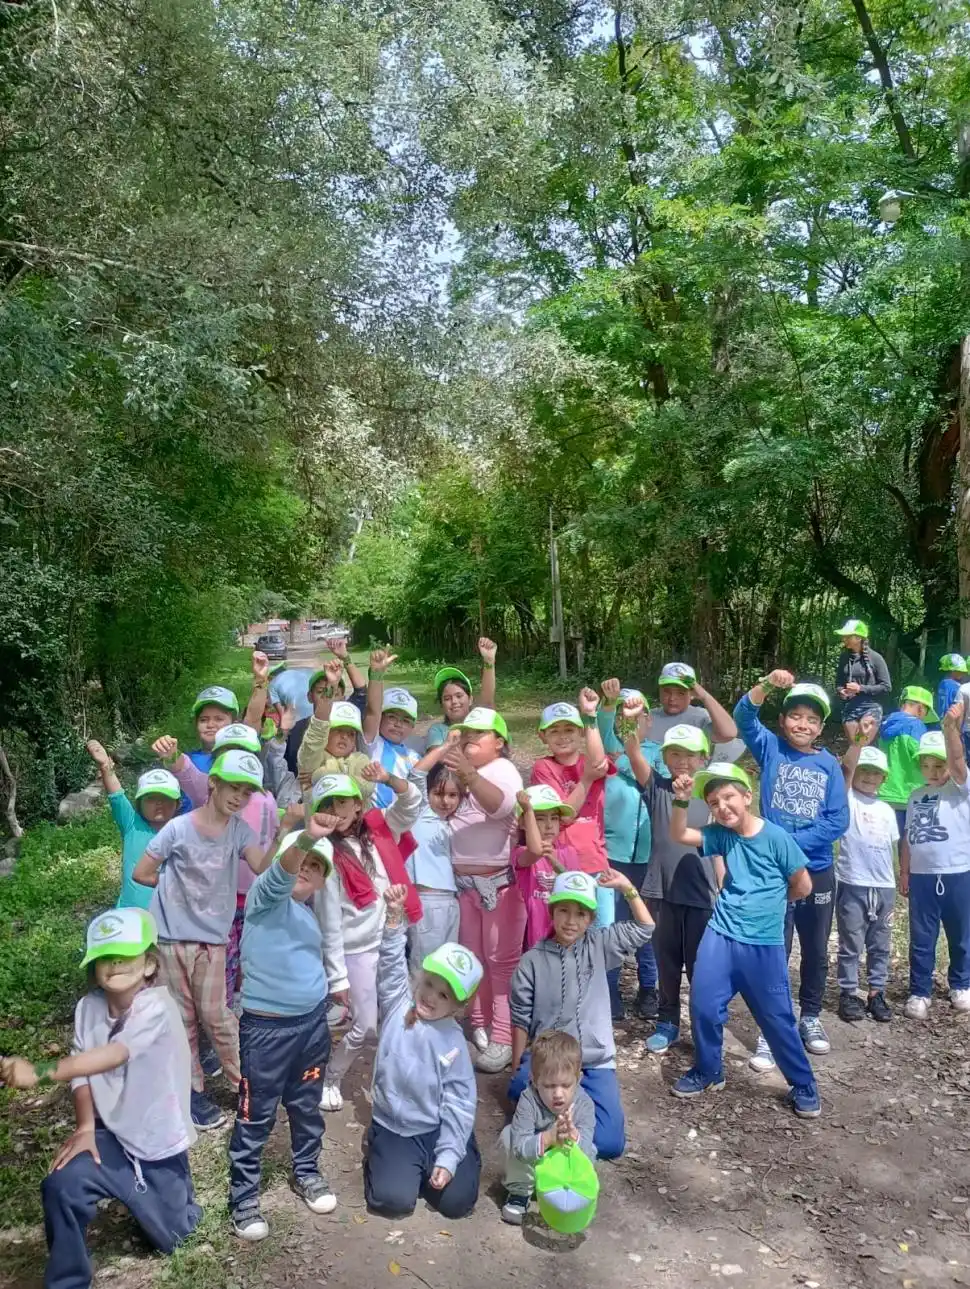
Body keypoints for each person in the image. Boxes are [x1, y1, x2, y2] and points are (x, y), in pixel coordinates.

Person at [0, 909, 201, 1289]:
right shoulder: (87, 1009)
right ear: (93, 968)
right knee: (61, 1186)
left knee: (175, 1237)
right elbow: (84, 1075)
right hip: (109, 1133)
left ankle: (170, 1198)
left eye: (125, 954)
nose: (114, 964)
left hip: (156, 1140)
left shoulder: (158, 1007)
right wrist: (86, 1127)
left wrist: (39, 1071)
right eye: (104, 958)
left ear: (149, 964)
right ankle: (67, 1280)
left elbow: (114, 1055)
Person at [132, 749, 279, 1130]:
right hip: (170, 940)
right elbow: (143, 872)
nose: (238, 797)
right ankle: (192, 1091)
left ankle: (242, 1083)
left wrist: (283, 833)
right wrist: (174, 892)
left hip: (213, 941)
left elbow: (262, 867)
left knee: (217, 1015)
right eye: (233, 787)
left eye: (247, 792)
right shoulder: (179, 828)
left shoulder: (239, 831)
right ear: (212, 782)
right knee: (182, 1019)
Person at [667, 762, 820, 1117]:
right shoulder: (721, 835)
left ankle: (803, 1083)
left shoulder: (777, 838)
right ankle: (708, 1070)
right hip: (721, 935)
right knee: (704, 1006)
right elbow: (679, 835)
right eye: (714, 802)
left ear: (747, 796)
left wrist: (774, 905)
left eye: (729, 797)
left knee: (776, 1018)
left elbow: (803, 884)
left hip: (764, 944)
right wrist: (680, 801)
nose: (722, 807)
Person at [229, 811, 338, 1242]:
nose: (305, 871)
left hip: (311, 1028)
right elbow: (279, 874)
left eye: (316, 868)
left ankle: (307, 1172)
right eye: (302, 862)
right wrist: (308, 838)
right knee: (255, 1115)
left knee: (306, 1106)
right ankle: (244, 1198)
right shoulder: (264, 897)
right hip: (266, 1032)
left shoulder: (307, 916)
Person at [734, 672, 849, 1070]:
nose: (803, 724)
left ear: (820, 726)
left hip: (816, 871)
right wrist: (766, 684)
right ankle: (771, 1028)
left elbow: (836, 822)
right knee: (775, 950)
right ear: (783, 720)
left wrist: (786, 844)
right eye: (795, 716)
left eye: (812, 720)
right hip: (773, 875)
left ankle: (811, 1016)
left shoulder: (829, 765)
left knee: (815, 949)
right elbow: (743, 716)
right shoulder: (770, 749)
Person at [509, 870, 654, 1160]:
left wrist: (627, 886)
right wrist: (516, 1069)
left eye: (581, 913)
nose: (571, 921)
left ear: (590, 918)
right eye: (563, 910)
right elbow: (520, 1018)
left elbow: (645, 927)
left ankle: (568, 1130)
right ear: (552, 912)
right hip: (550, 1060)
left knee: (611, 1143)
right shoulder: (532, 961)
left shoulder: (601, 944)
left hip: (594, 1061)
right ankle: (555, 1130)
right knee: (517, 1095)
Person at [364, 885, 482, 1221]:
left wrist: (446, 1158)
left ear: (458, 1006)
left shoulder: (454, 1043)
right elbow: (389, 965)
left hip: (434, 1127)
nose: (431, 997)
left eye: (444, 995)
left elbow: (459, 1101)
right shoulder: (399, 1003)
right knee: (392, 1202)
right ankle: (392, 1163)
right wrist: (393, 920)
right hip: (395, 1126)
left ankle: (456, 1151)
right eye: (430, 984)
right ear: (421, 977)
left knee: (457, 1203)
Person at [312, 768, 423, 1112]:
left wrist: (389, 779)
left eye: (346, 802)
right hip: (356, 951)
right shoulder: (325, 853)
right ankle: (331, 1077)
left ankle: (389, 1083)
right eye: (330, 804)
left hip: (390, 940)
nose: (339, 810)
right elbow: (328, 921)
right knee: (363, 1028)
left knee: (399, 1018)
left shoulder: (377, 831)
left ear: (359, 805)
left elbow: (412, 803)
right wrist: (338, 977)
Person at [154, 723, 280, 1010]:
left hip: (254, 894)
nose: (239, 761)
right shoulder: (210, 789)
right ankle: (217, 1009)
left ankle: (243, 1002)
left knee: (251, 952)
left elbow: (268, 845)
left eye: (246, 754)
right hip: (220, 897)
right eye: (230, 753)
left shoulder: (266, 799)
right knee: (223, 957)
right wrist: (171, 754)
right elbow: (185, 772)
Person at [619, 704, 720, 1053]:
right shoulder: (658, 788)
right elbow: (632, 752)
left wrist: (723, 888)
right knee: (667, 962)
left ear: (703, 759)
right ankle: (667, 1021)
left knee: (700, 965)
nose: (682, 760)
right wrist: (632, 721)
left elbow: (722, 847)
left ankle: (704, 1024)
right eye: (674, 753)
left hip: (701, 894)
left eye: (690, 754)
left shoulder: (712, 799)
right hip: (660, 890)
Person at [441, 707, 525, 1073]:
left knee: (501, 961)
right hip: (462, 884)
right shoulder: (460, 770)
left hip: (498, 884)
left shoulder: (502, 770)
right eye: (466, 731)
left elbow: (501, 805)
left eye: (480, 732)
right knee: (472, 957)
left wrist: (469, 774)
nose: (470, 736)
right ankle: (478, 1023)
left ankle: (504, 1036)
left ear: (500, 742)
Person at [596, 681, 665, 1021]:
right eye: (623, 715)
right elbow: (604, 730)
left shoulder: (661, 753)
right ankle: (609, 992)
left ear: (648, 720)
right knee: (610, 925)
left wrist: (622, 759)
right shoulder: (607, 745)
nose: (630, 720)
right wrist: (609, 705)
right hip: (612, 852)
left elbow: (650, 779)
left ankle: (649, 988)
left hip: (649, 855)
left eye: (636, 714)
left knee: (646, 924)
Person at [900, 712, 970, 1018]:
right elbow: (907, 837)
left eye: (938, 764)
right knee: (922, 936)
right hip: (922, 878)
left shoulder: (961, 790)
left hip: (958, 874)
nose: (932, 770)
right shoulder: (916, 795)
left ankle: (961, 984)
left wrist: (949, 728)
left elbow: (957, 760)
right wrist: (904, 871)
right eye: (926, 764)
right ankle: (919, 991)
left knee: (962, 934)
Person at [530, 691, 613, 928]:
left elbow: (598, 763)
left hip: (595, 862)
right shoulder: (543, 768)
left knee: (602, 933)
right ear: (542, 736)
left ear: (581, 733)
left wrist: (590, 716)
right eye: (554, 730)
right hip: (560, 864)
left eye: (569, 729)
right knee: (565, 935)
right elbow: (563, 815)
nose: (562, 736)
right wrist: (586, 781)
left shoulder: (589, 763)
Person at [499, 1029, 596, 1225]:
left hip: (562, 1168)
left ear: (578, 1079)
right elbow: (519, 1147)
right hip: (533, 1163)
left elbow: (586, 1150)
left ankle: (568, 1192)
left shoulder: (584, 1104)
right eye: (550, 1086)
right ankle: (520, 1191)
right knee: (509, 1135)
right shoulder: (528, 1100)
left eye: (566, 1085)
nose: (558, 1094)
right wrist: (549, 1138)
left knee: (591, 1148)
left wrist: (573, 1135)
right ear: (534, 1081)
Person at [836, 738, 897, 1023]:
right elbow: (845, 770)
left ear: (883, 778)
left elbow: (892, 847)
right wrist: (858, 741)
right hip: (852, 881)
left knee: (880, 943)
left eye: (875, 773)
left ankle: (876, 992)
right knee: (851, 942)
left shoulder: (886, 810)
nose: (869, 777)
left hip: (884, 887)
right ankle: (848, 993)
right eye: (864, 771)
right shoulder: (846, 800)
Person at [86, 742, 180, 911]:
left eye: (165, 798)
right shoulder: (132, 824)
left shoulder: (184, 832)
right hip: (129, 917)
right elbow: (116, 795)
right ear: (139, 803)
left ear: (177, 804)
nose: (159, 803)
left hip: (169, 920)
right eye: (151, 798)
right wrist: (105, 766)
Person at [405, 757, 464, 961]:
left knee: (446, 967)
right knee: (424, 968)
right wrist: (445, 749)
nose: (445, 801)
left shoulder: (454, 822)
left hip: (452, 902)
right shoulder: (421, 812)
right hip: (427, 901)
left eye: (453, 795)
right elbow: (416, 774)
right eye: (438, 794)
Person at [283, 646, 375, 775]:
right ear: (310, 697)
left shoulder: (350, 717)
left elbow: (362, 693)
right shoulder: (297, 729)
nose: (330, 698)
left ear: (343, 698)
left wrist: (346, 658)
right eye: (321, 691)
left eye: (335, 693)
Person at [513, 784, 581, 949]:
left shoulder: (569, 852)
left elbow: (575, 888)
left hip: (563, 936)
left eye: (555, 818)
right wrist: (528, 811)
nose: (549, 825)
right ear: (523, 823)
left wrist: (554, 862)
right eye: (540, 818)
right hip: (532, 938)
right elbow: (534, 852)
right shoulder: (520, 852)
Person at [877, 686, 937, 833]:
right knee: (910, 842)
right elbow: (922, 756)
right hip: (910, 793)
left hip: (886, 791)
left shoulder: (885, 723)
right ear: (920, 709)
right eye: (926, 713)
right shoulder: (915, 725)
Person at [423, 638, 499, 752]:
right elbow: (435, 758)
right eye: (447, 698)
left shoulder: (480, 725)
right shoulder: (438, 731)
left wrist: (489, 661)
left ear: (470, 699)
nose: (454, 701)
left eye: (459, 696)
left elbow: (487, 701)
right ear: (441, 704)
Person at [364, 663, 422, 809]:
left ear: (412, 727)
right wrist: (377, 674)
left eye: (406, 720)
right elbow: (373, 710)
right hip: (368, 816)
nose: (398, 724)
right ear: (380, 718)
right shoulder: (371, 743)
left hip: (398, 820)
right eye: (392, 717)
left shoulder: (414, 758)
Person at [298, 699, 378, 802]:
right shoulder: (314, 756)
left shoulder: (361, 759)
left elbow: (367, 787)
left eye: (351, 734)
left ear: (355, 742)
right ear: (326, 732)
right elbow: (314, 739)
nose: (344, 736)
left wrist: (321, 776)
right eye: (339, 730)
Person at [649, 662, 738, 751]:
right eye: (667, 692)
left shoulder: (700, 717)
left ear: (692, 694)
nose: (672, 698)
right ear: (659, 691)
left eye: (681, 693)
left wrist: (704, 696)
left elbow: (729, 734)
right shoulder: (648, 717)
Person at [835, 619, 892, 736]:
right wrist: (841, 691)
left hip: (871, 707)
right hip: (850, 707)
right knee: (853, 745)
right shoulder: (844, 658)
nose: (844, 639)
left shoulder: (876, 658)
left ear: (858, 638)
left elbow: (886, 687)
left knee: (862, 743)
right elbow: (839, 683)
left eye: (847, 636)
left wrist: (860, 688)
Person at [936, 653, 969, 731]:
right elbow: (947, 706)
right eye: (959, 670)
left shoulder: (945, 684)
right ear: (951, 670)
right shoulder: (949, 685)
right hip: (951, 725)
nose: (963, 673)